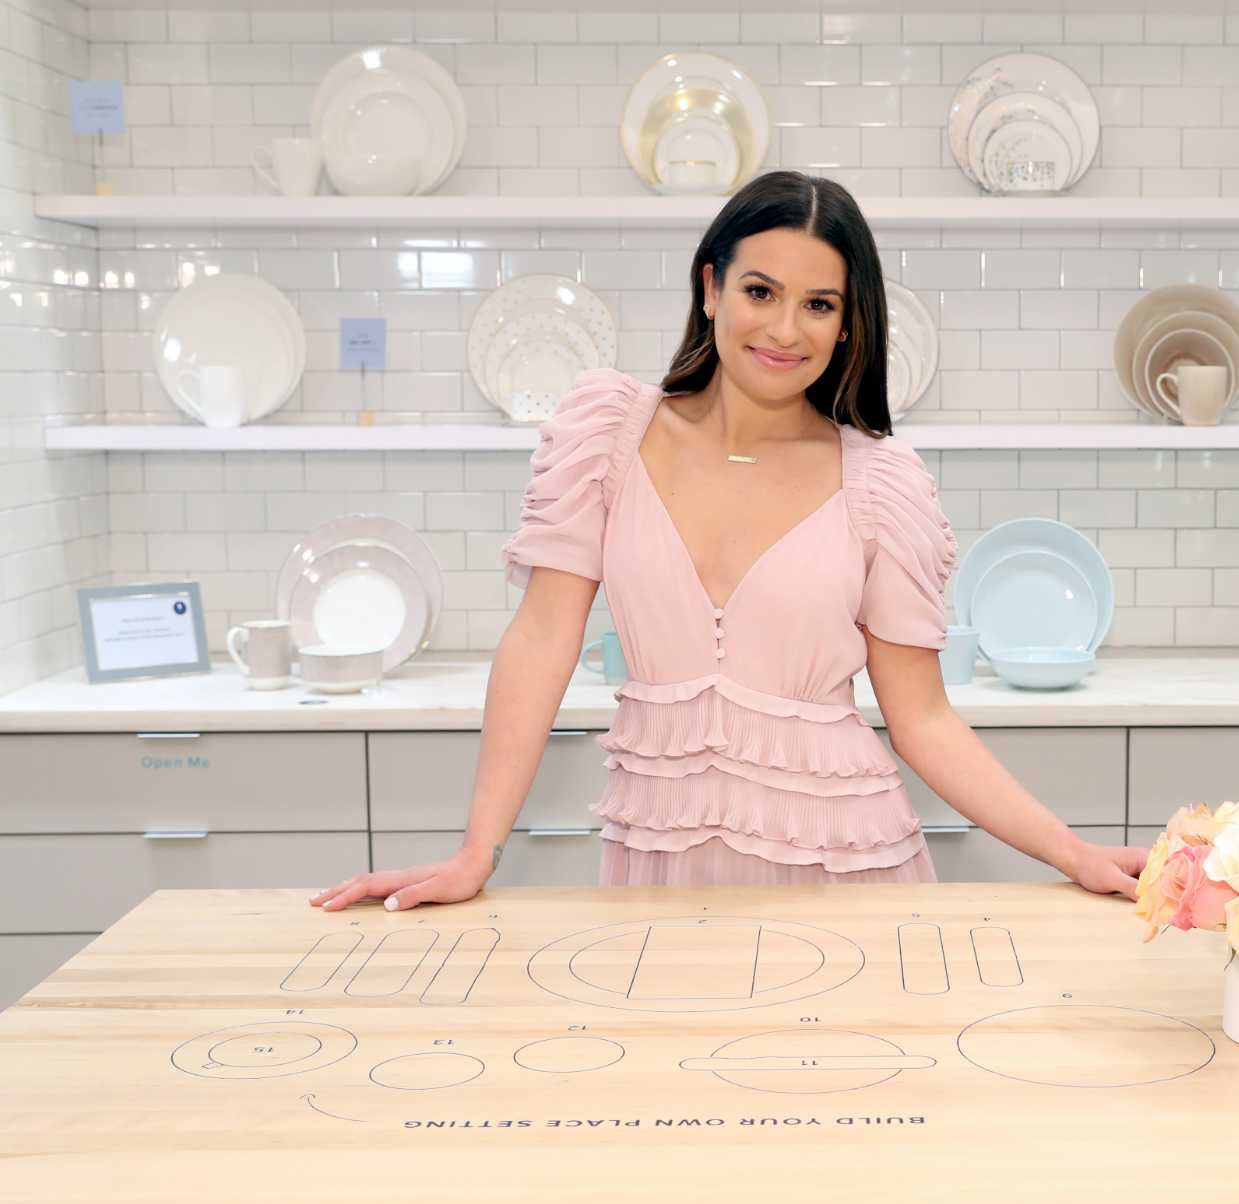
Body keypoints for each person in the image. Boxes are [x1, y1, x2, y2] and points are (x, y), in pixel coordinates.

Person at [309, 171, 1147, 915]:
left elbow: (923, 718)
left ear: (848, 326)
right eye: (760, 291)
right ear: (710, 287)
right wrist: (476, 852)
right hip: (659, 858)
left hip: (842, 861)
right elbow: (539, 641)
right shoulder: (608, 435)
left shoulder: (879, 482)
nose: (785, 328)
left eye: (819, 304)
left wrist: (1071, 851)